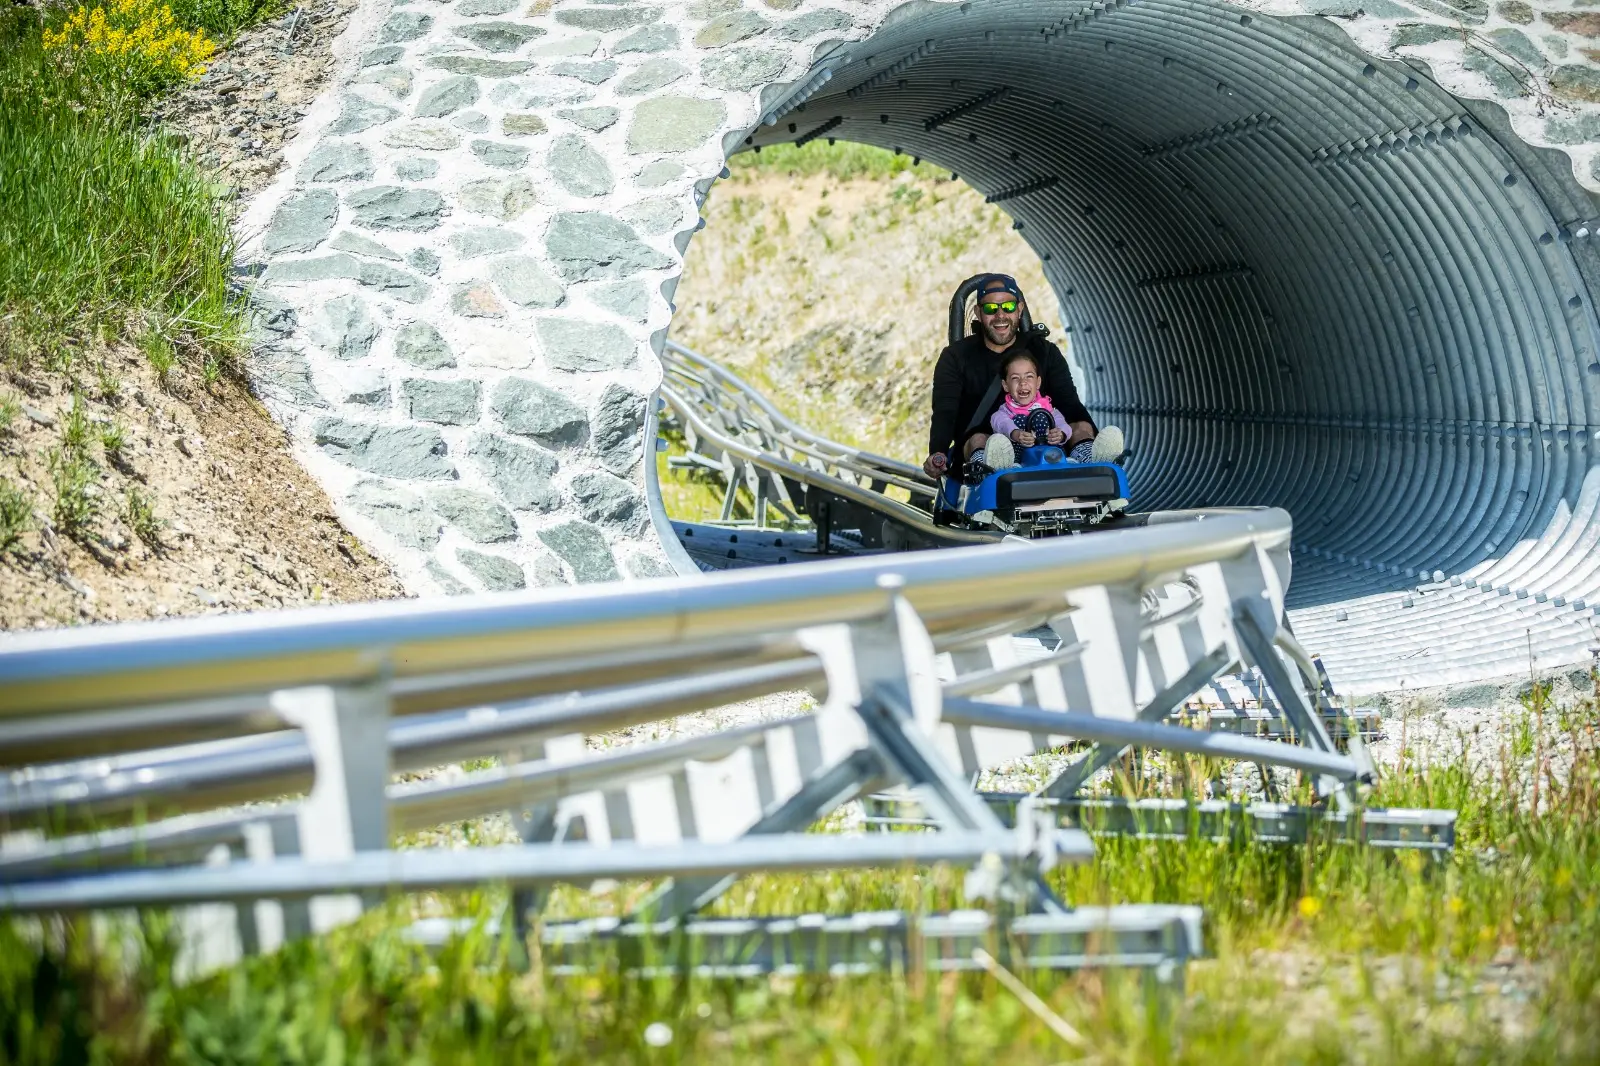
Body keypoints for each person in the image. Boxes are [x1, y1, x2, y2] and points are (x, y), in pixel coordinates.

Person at [921, 273, 1122, 479]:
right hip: (985, 444)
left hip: (1045, 442)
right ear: (978, 314)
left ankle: (1096, 465)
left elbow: (1070, 404)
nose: (1000, 316)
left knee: (1081, 427)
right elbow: (945, 412)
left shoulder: (1045, 351)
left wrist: (1086, 432)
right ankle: (992, 477)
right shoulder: (955, 357)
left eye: (1007, 307)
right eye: (991, 309)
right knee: (980, 440)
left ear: (1019, 309)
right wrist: (938, 451)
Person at [983, 351, 1120, 468]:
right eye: (1015, 378)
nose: (1023, 382)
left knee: (1071, 461)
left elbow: (1064, 425)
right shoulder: (1005, 412)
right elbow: (999, 422)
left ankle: (1096, 460)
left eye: (1028, 377)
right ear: (1005, 386)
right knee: (998, 443)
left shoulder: (1048, 409)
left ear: (1038, 383)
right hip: (1019, 463)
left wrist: (1061, 434)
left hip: (1052, 459)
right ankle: (996, 468)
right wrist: (1015, 433)